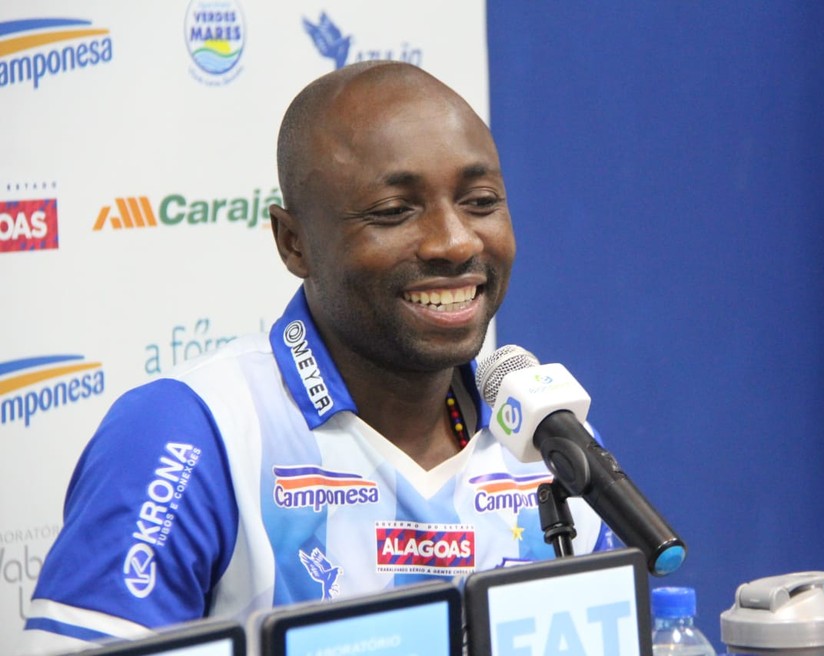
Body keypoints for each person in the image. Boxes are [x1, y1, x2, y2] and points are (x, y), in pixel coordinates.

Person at [17, 61, 608, 654]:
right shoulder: (194, 433)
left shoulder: (545, 434)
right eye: (394, 211)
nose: (455, 242)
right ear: (293, 242)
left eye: (481, 201)